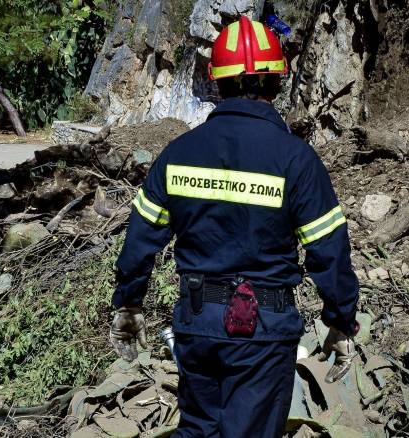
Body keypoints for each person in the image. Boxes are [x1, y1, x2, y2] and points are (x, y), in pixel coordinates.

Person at [109, 15, 359, 438]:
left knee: (199, 429)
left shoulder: (178, 155)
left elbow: (140, 241)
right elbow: (327, 251)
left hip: (197, 323)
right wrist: (340, 319)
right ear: (278, 80)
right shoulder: (296, 160)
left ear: (214, 80)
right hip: (263, 330)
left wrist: (129, 305)